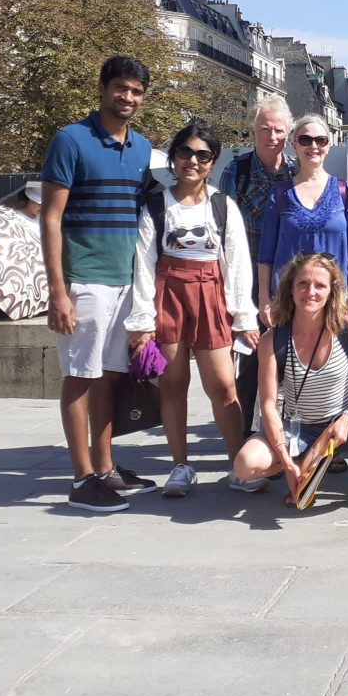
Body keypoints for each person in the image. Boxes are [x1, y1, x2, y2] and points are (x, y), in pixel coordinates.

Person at [41, 55, 157, 513]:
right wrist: (57, 292)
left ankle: (106, 468)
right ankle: (81, 478)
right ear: (103, 88)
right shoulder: (70, 140)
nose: (127, 97)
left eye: (136, 91)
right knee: (80, 378)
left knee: (108, 375)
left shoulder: (144, 148)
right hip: (84, 279)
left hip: (125, 281)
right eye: (121, 88)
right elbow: (51, 218)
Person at [125, 122, 258, 497]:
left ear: (212, 161)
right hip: (168, 296)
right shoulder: (156, 204)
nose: (192, 161)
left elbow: (237, 263)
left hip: (210, 296)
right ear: (173, 157)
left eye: (202, 155)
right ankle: (181, 466)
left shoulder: (222, 205)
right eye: (185, 152)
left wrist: (242, 316)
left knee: (224, 386)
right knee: (172, 385)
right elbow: (144, 263)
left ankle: (238, 465)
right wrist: (141, 321)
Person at [231, 253, 348, 514]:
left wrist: (347, 418)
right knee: (244, 465)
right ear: (290, 288)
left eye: (320, 285)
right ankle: (305, 466)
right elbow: (268, 405)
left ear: (332, 291)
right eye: (303, 284)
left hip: (344, 425)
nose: (310, 291)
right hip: (299, 429)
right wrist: (288, 462)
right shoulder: (271, 340)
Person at [219, 94, 296, 436]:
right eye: (264, 128)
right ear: (252, 131)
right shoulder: (237, 171)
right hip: (249, 281)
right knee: (249, 363)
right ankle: (243, 438)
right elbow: (222, 230)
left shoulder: (297, 171)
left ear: (288, 133)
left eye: (278, 129)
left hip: (291, 282)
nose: (272, 136)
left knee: (295, 362)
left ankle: (297, 434)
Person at [258, 114, 348, 325]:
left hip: (334, 300)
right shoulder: (281, 193)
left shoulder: (344, 191)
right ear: (294, 145)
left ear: (329, 145)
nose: (314, 146)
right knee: (289, 357)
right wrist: (264, 297)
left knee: (335, 356)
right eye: (305, 139)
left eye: (321, 140)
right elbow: (266, 254)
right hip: (289, 302)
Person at [0, 181, 47, 322]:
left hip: (28, 281)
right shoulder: (6, 218)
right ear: (28, 199)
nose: (41, 207)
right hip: (0, 274)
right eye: (38, 203)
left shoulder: (46, 223)